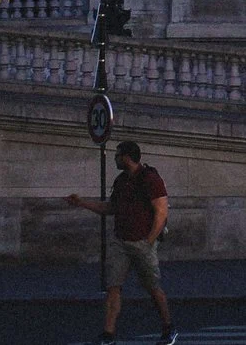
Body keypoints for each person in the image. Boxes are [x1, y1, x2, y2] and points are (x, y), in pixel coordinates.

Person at [66, 140, 176, 345]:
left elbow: (161, 212)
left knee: (153, 288)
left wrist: (149, 241)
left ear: (126, 157)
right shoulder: (121, 181)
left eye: (117, 155)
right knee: (113, 287)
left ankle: (168, 327)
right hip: (121, 241)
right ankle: (108, 334)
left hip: (142, 243)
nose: (115, 159)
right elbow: (111, 208)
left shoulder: (150, 179)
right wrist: (82, 203)